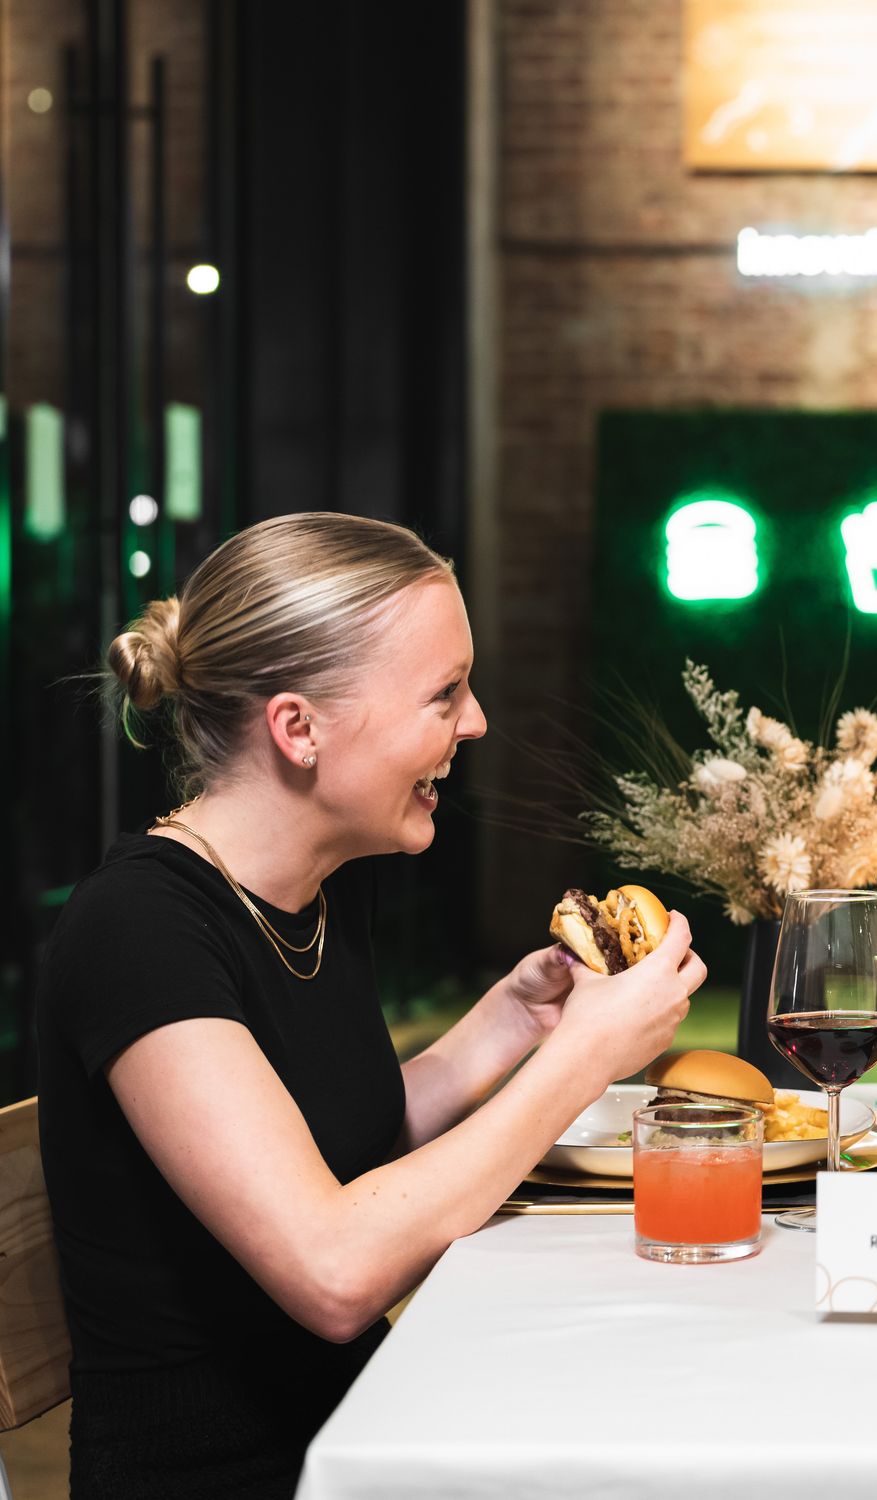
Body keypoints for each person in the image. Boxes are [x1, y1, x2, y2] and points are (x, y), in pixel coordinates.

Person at [36, 513, 706, 1498]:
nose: (474, 722)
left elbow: (342, 1139)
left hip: (360, 1430)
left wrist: (516, 1022)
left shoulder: (311, 893)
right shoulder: (138, 928)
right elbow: (334, 1272)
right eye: (444, 693)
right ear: (298, 728)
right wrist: (582, 1064)